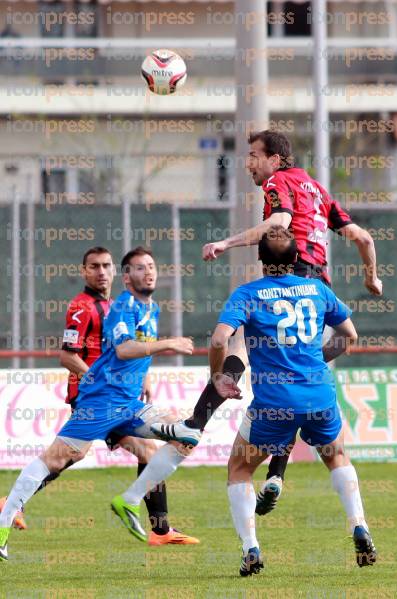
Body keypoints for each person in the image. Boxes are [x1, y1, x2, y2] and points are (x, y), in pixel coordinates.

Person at [150, 130, 383, 514]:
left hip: (291, 281)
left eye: (255, 155)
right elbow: (362, 237)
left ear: (276, 158)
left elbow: (278, 222)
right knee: (294, 380)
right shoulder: (318, 190)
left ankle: (196, 422)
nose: (249, 163)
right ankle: (276, 473)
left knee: (238, 347)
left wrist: (225, 243)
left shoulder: (278, 182)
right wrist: (371, 277)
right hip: (318, 296)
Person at [0, 247, 196, 561]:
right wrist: (99, 378)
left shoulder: (136, 307)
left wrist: (142, 376)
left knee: (180, 438)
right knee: (61, 456)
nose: (102, 272)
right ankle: (8, 509)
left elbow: (132, 348)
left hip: (124, 400)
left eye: (106, 265)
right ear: (85, 271)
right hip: (98, 398)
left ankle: (153, 523)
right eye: (95, 266)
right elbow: (72, 354)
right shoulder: (85, 307)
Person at [209, 226, 377, 575]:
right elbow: (350, 335)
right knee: (337, 457)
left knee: (239, 469)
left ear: (259, 259)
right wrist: (318, 357)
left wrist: (219, 378)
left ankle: (251, 549)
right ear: (298, 258)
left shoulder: (247, 294)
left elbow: (218, 340)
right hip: (319, 395)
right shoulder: (317, 289)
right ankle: (358, 523)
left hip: (275, 403)